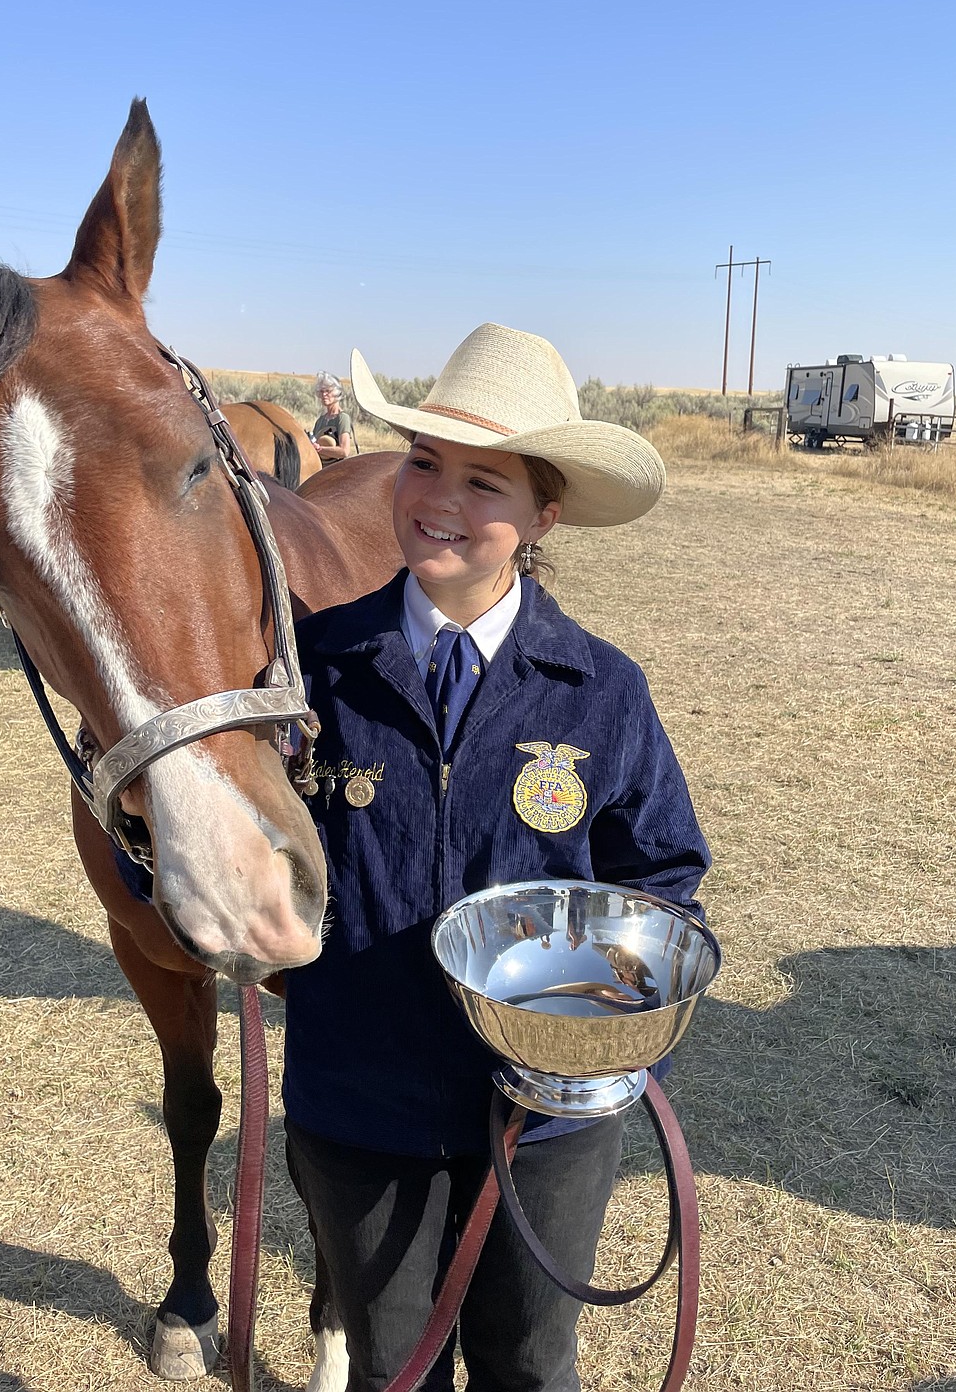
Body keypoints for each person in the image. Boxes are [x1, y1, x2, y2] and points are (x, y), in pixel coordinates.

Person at [283, 323, 712, 1392]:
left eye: (486, 481)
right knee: (392, 1366)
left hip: (549, 1125)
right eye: (424, 462)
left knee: (530, 1362)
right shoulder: (310, 670)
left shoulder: (599, 689)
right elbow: (233, 857)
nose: (440, 498)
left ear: (541, 517)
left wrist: (610, 1036)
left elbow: (661, 877)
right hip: (360, 1095)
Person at [310, 371, 355, 459]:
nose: (324, 394)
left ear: (336, 392)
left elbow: (344, 451)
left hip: (337, 470)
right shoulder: (320, 420)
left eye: (328, 391)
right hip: (321, 470)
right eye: (322, 391)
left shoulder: (342, 418)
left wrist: (320, 449)